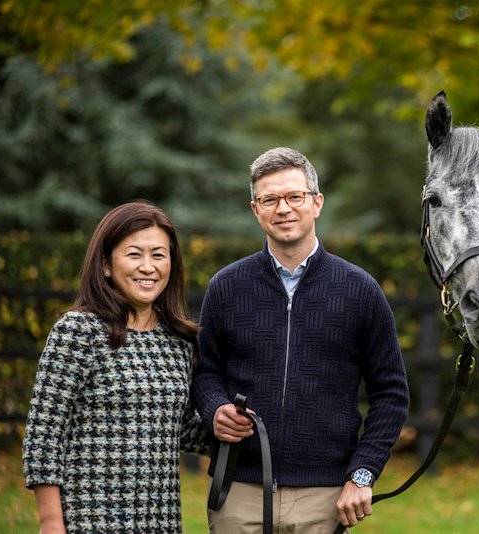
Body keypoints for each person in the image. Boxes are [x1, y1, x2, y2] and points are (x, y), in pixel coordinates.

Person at [192, 147, 410, 533]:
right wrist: (215, 408)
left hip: (325, 496)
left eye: (295, 196)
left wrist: (362, 475)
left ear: (317, 203)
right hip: (239, 490)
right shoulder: (226, 286)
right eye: (270, 199)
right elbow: (205, 372)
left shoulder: (360, 290)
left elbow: (391, 393)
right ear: (255, 209)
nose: (283, 209)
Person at [22, 201, 210, 534]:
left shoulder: (179, 341)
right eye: (134, 254)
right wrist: (50, 521)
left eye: (159, 255)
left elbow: (179, 429)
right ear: (106, 265)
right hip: (89, 519)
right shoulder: (78, 331)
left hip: (160, 521)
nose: (148, 267)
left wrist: (233, 422)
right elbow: (44, 433)